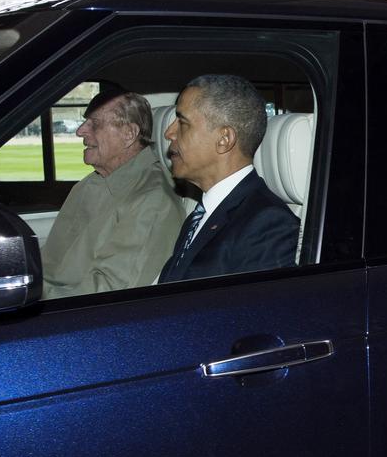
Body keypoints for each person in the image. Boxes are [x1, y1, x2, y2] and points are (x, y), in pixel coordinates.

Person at [40, 90, 185, 298]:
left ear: (129, 134)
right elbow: (54, 259)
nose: (80, 131)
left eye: (95, 124)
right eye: (85, 123)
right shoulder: (91, 183)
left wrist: (32, 296)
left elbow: (108, 295)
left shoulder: (151, 202)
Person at [157, 74, 299, 284]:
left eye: (183, 122)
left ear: (224, 139)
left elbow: (253, 314)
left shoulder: (268, 224)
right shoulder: (200, 215)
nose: (169, 133)